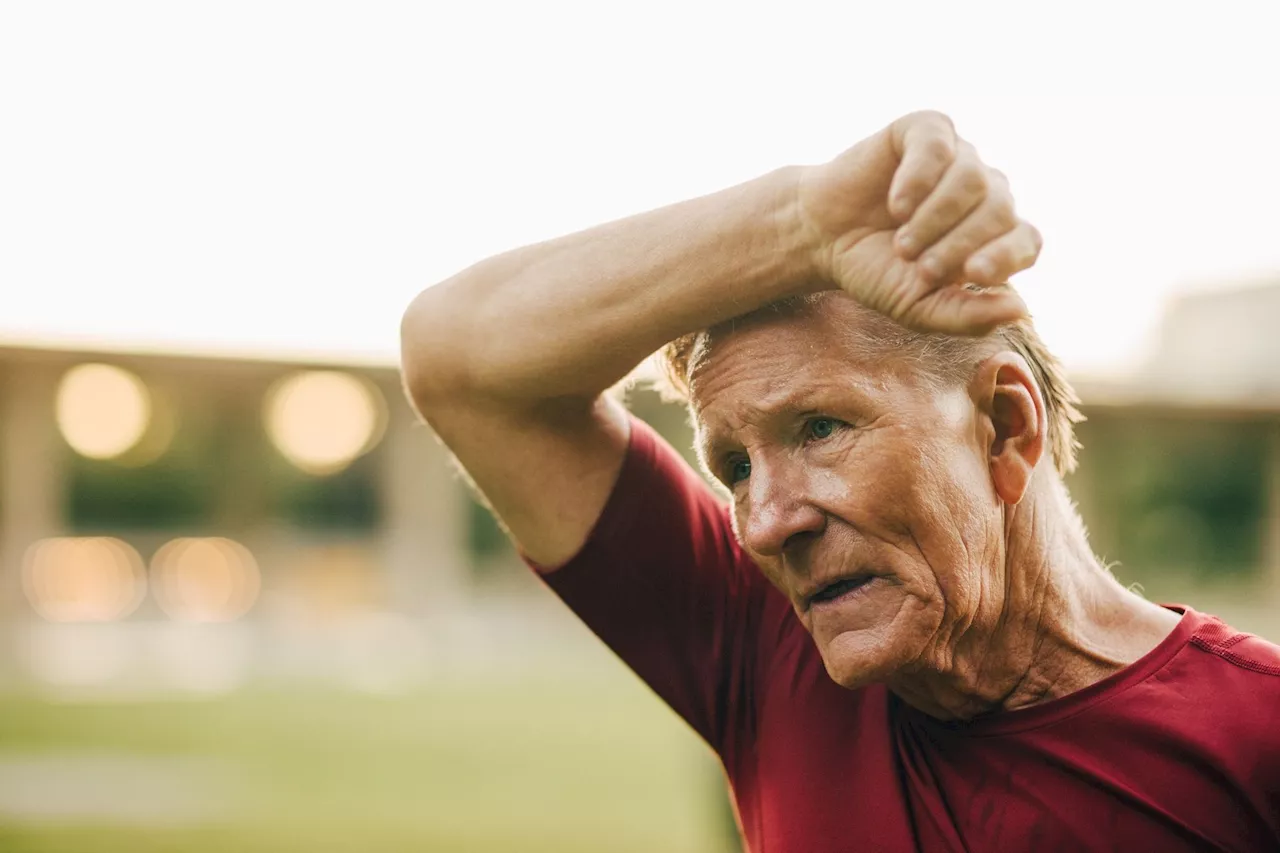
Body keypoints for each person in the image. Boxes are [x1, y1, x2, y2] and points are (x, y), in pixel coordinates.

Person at [400, 112, 1280, 851]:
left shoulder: (1254, 738)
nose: (768, 522)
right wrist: (801, 223)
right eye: (735, 467)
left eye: (820, 428)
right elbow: (458, 358)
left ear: (1005, 428)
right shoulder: (764, 646)